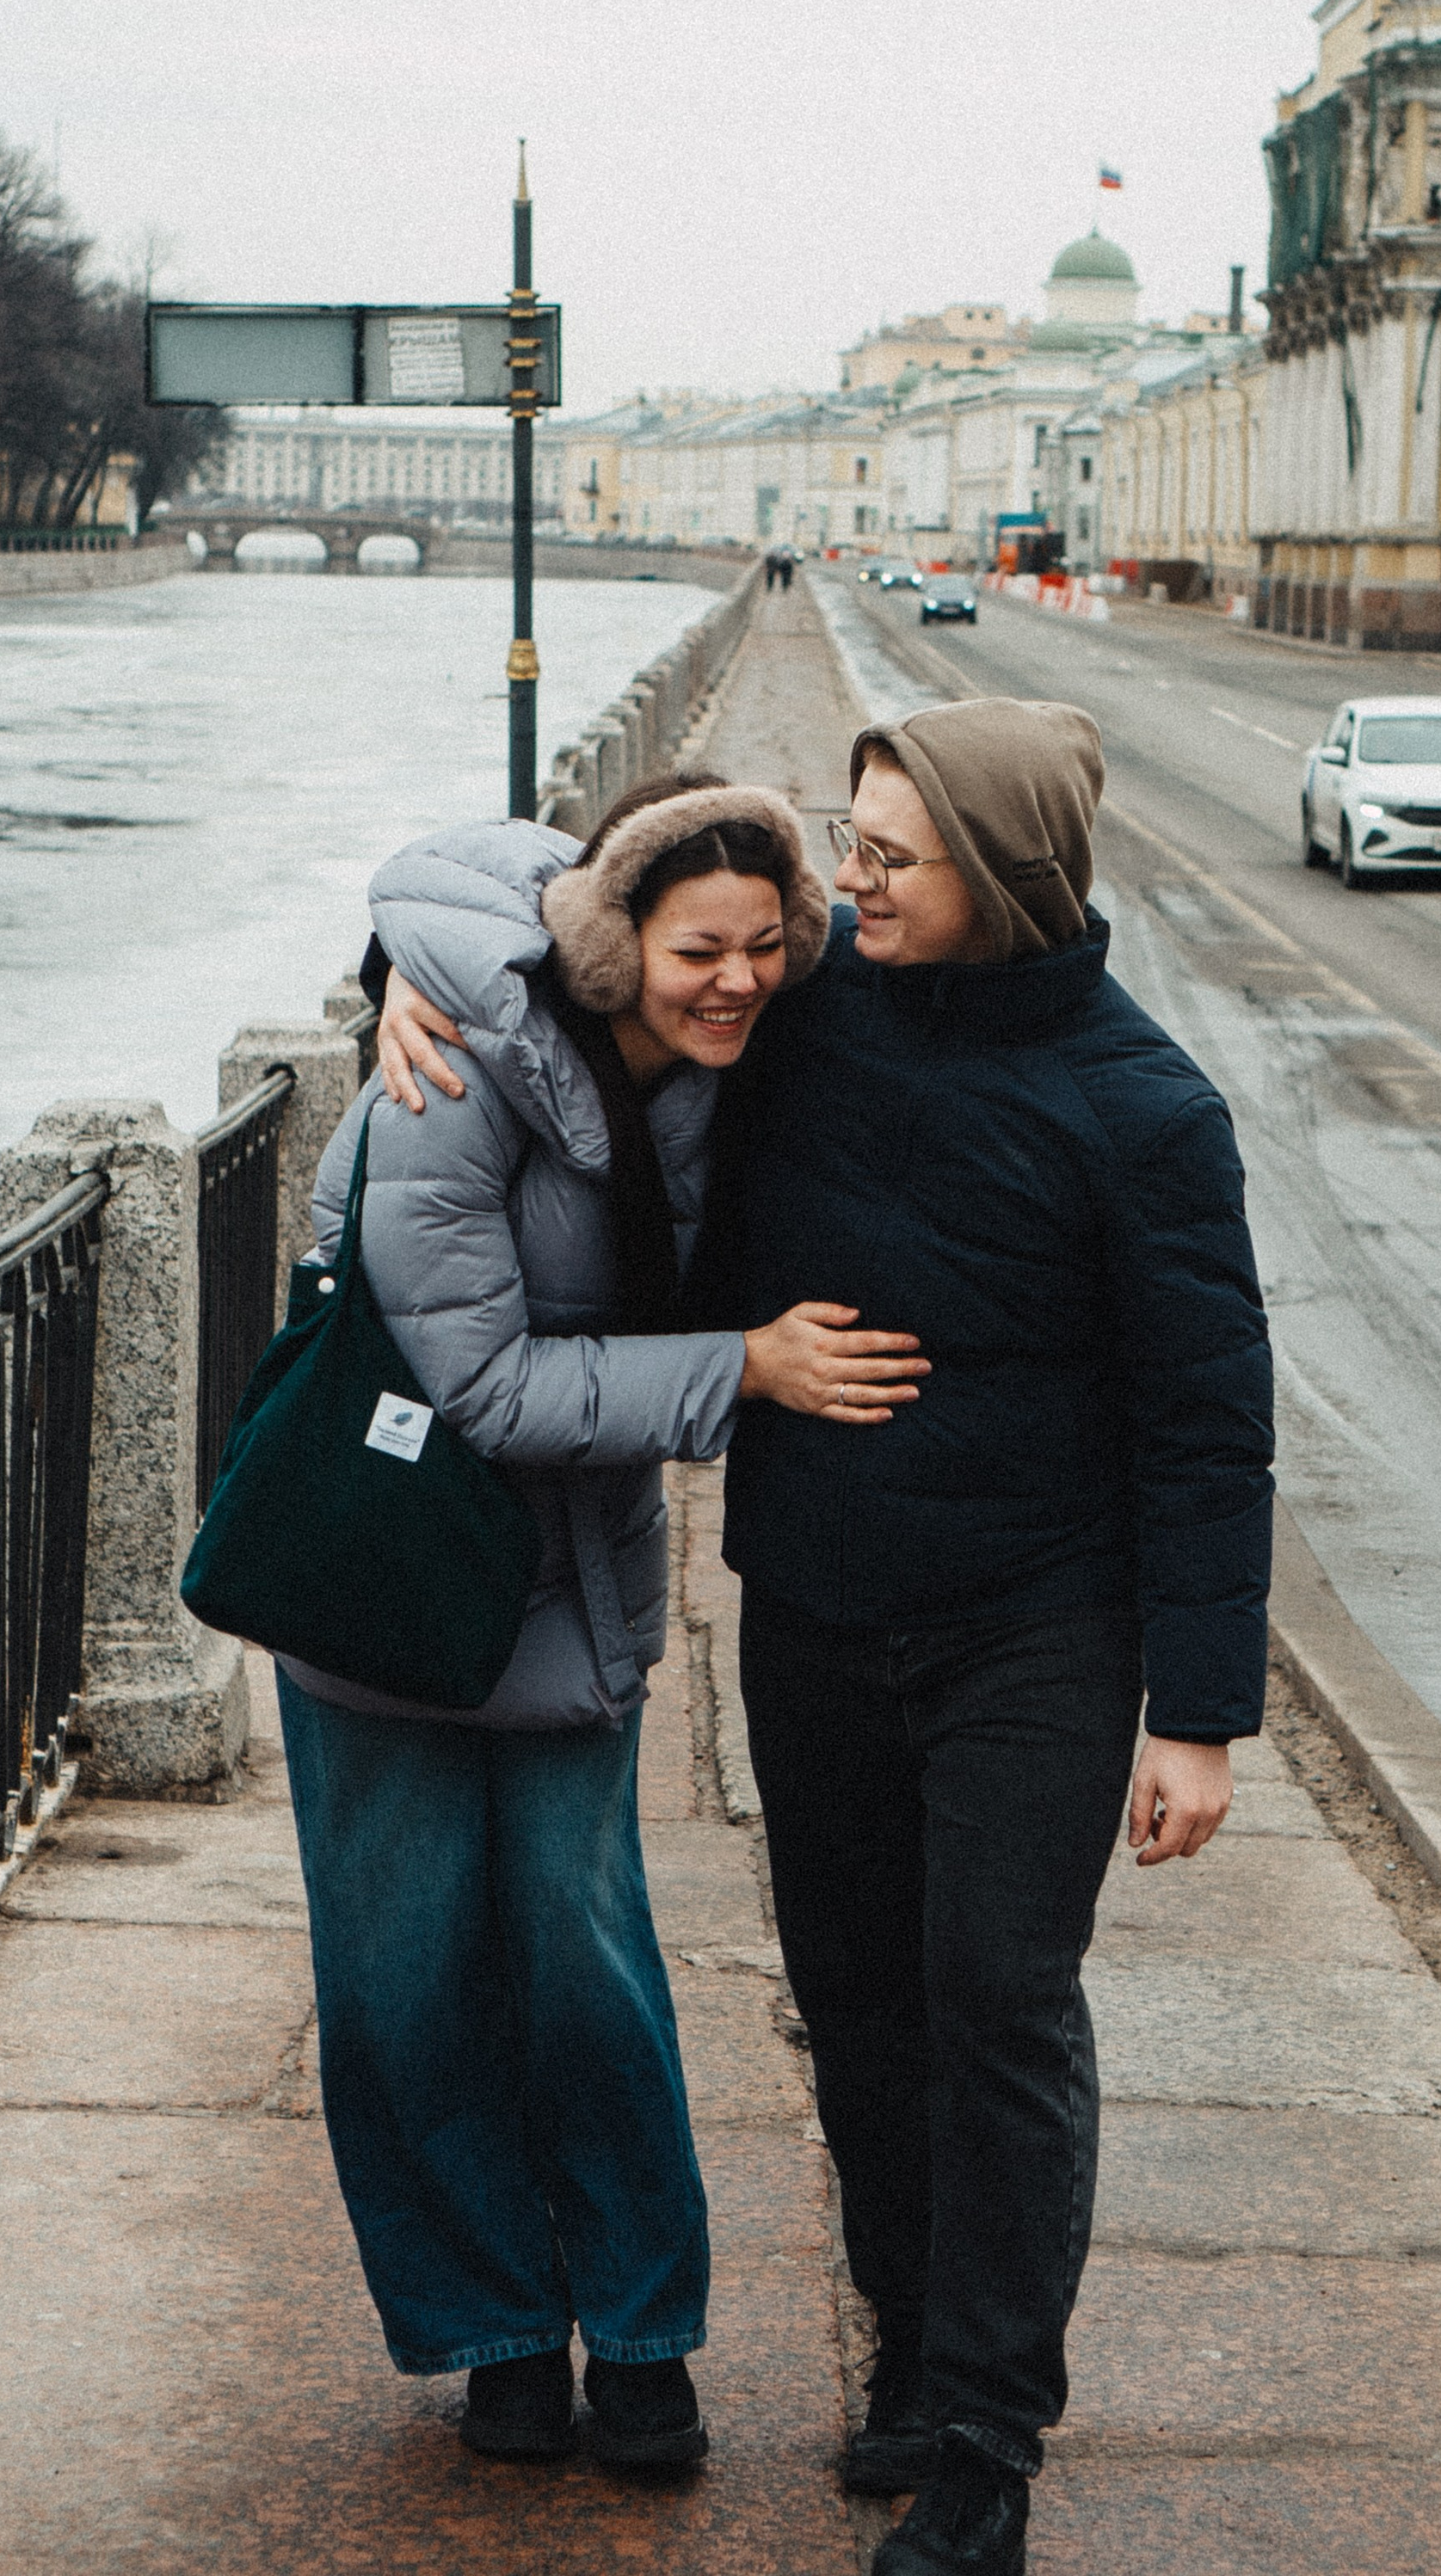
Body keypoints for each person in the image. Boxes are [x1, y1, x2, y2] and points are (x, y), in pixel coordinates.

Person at [375, 699, 1274, 2575]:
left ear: (1003, 873)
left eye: (881, 858)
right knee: (858, 2003)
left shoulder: (1144, 1113)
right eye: (838, 850)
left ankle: (986, 2457)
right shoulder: (802, 1012)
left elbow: (1205, 1418)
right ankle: (914, 2359)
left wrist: (1193, 1715)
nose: (832, 894)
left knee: (997, 2008)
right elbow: (533, 907)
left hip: (1034, 1629)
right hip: (812, 1607)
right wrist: (392, 987)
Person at [289, 774, 928, 2475]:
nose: (729, 978)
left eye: (759, 947)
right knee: (403, 1980)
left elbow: (956, 952)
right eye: (691, 951)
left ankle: (642, 2335)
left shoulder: (755, 1039)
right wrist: (746, 1369)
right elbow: (477, 1380)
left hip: (569, 1587)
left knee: (586, 1973)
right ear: (609, 944)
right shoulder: (454, 1078)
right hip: (381, 1557)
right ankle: (497, 2333)